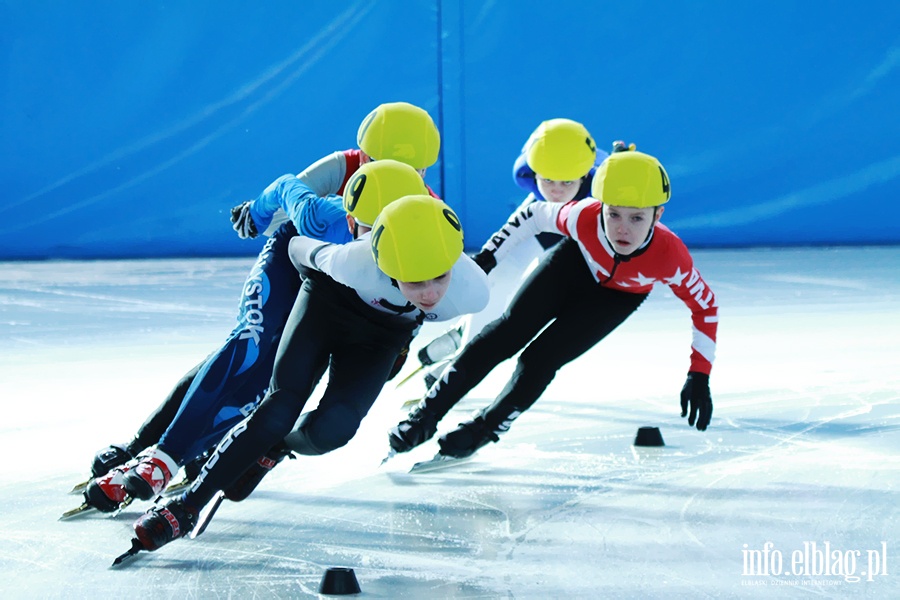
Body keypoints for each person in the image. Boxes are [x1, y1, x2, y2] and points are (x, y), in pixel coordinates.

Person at [81, 102, 442, 512]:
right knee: (252, 344)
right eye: (379, 164)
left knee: (276, 381)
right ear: (364, 156)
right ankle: (153, 451)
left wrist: (401, 340)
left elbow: (425, 288)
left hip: (335, 293)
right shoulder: (332, 199)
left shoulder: (421, 209)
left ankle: (187, 450)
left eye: (411, 171)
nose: (389, 178)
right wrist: (257, 212)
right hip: (299, 259)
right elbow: (288, 187)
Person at [128, 194, 490, 552]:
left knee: (334, 431)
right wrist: (303, 312)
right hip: (326, 302)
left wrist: (406, 339)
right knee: (278, 410)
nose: (429, 293)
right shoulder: (354, 261)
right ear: (387, 267)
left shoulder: (472, 292)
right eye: (414, 282)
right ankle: (188, 505)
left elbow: (424, 314)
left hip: (381, 337)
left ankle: (276, 447)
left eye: (438, 277)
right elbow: (297, 250)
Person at [388, 145, 717, 462]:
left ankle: (485, 428)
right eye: (613, 213)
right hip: (573, 264)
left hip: (617, 297)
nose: (622, 229)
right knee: (504, 333)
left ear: (658, 215)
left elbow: (705, 307)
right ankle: (425, 416)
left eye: (636, 218)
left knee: (539, 361)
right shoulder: (582, 217)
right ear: (600, 205)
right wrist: (487, 259)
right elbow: (530, 215)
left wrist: (699, 375)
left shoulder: (670, 256)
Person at [414, 119, 608, 385]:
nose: (556, 191)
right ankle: (467, 340)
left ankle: (466, 335)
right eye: (548, 180)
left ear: (585, 176)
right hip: (544, 223)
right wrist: (481, 265)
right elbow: (503, 239)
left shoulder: (605, 185)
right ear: (533, 172)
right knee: (495, 282)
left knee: (532, 298)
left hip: (581, 224)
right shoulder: (537, 194)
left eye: (566, 183)